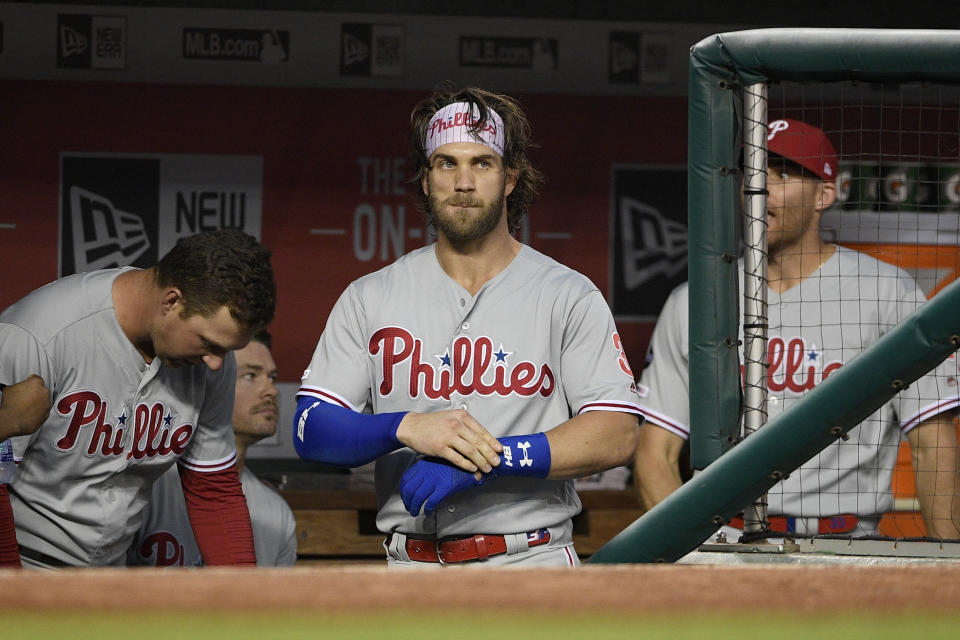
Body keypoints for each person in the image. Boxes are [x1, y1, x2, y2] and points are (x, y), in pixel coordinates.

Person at [294, 84, 643, 566]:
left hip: (529, 564)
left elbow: (617, 432)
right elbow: (311, 430)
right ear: (425, 180)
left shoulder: (567, 294)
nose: (463, 181)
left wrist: (488, 461)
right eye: (446, 163)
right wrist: (406, 427)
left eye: (482, 163)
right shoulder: (369, 297)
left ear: (509, 180)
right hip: (410, 566)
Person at [634, 118, 960, 539]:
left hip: (845, 543)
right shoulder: (695, 301)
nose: (759, 190)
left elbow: (933, 441)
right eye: (751, 175)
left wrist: (949, 569)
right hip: (726, 545)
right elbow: (654, 453)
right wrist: (693, 554)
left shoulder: (886, 292)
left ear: (825, 194)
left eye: (781, 176)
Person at [0, 229, 277, 567]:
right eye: (208, 343)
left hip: (113, 576)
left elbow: (214, 490)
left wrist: (244, 601)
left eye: (225, 350)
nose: (217, 362)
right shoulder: (39, 336)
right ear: (172, 301)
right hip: (24, 564)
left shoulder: (211, 361)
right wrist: (11, 596)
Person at [129, 330, 297, 567]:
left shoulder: (276, 514)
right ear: (216, 384)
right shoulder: (151, 485)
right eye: (251, 375)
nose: (272, 390)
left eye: (272, 377)